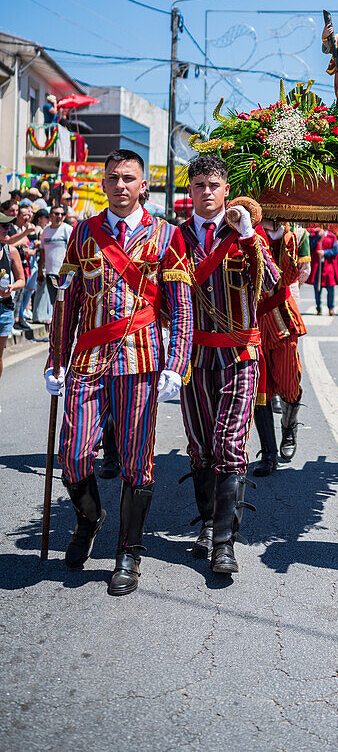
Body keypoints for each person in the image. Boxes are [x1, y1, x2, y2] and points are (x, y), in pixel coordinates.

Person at [43, 150, 194, 597]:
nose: (121, 185)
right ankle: (90, 519)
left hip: (142, 360)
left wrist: (176, 364)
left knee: (135, 461)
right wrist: (56, 357)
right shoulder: (84, 234)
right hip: (88, 359)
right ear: (103, 184)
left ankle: (129, 551)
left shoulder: (167, 235)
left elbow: (182, 307)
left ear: (143, 184)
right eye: (114, 178)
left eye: (130, 178)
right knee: (72, 455)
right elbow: (67, 302)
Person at [179, 154, 279, 574]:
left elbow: (273, 283)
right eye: (199, 185)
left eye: (213, 185)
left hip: (239, 355)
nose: (206, 192)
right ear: (191, 191)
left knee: (229, 443)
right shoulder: (175, 237)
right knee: (201, 447)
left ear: (225, 190)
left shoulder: (244, 233)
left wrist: (250, 235)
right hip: (194, 357)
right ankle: (206, 524)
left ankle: (225, 541)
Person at [253, 219, 307, 475]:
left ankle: (289, 428)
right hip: (250, 318)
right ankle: (269, 453)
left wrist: (287, 240)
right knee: (259, 387)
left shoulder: (295, 233)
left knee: (288, 382)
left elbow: (291, 277)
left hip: (281, 314)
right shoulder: (243, 226)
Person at [0, 215, 25, 379]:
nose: (7, 229)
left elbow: (22, 280)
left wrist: (12, 287)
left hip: (4, 309)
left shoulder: (11, 251)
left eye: (8, 226)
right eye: (3, 226)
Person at [38, 205, 72, 308]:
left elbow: (72, 250)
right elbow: (43, 252)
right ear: (50, 216)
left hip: (64, 273)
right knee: (54, 303)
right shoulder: (46, 231)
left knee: (65, 303)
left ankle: (63, 324)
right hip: (50, 273)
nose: (59, 216)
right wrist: (40, 270)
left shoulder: (67, 229)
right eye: (56, 214)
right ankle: (55, 323)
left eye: (62, 214)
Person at [309, 226, 338, 315]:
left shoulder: (332, 237)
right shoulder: (313, 236)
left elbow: (335, 251)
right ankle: (318, 307)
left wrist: (324, 253)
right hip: (317, 266)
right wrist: (318, 237)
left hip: (328, 266)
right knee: (317, 288)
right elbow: (310, 247)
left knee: (330, 287)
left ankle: (331, 307)